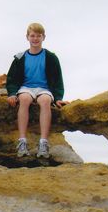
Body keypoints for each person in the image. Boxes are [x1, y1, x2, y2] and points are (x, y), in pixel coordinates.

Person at [6, 22, 68, 158]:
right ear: (27, 37)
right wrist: (11, 93)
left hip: (44, 89)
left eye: (38, 36)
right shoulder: (20, 57)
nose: (35, 39)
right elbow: (12, 79)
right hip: (26, 87)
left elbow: (58, 80)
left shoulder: (51, 57)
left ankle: (43, 143)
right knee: (24, 99)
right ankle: (22, 142)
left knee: (45, 101)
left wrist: (58, 98)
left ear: (43, 37)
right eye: (32, 36)